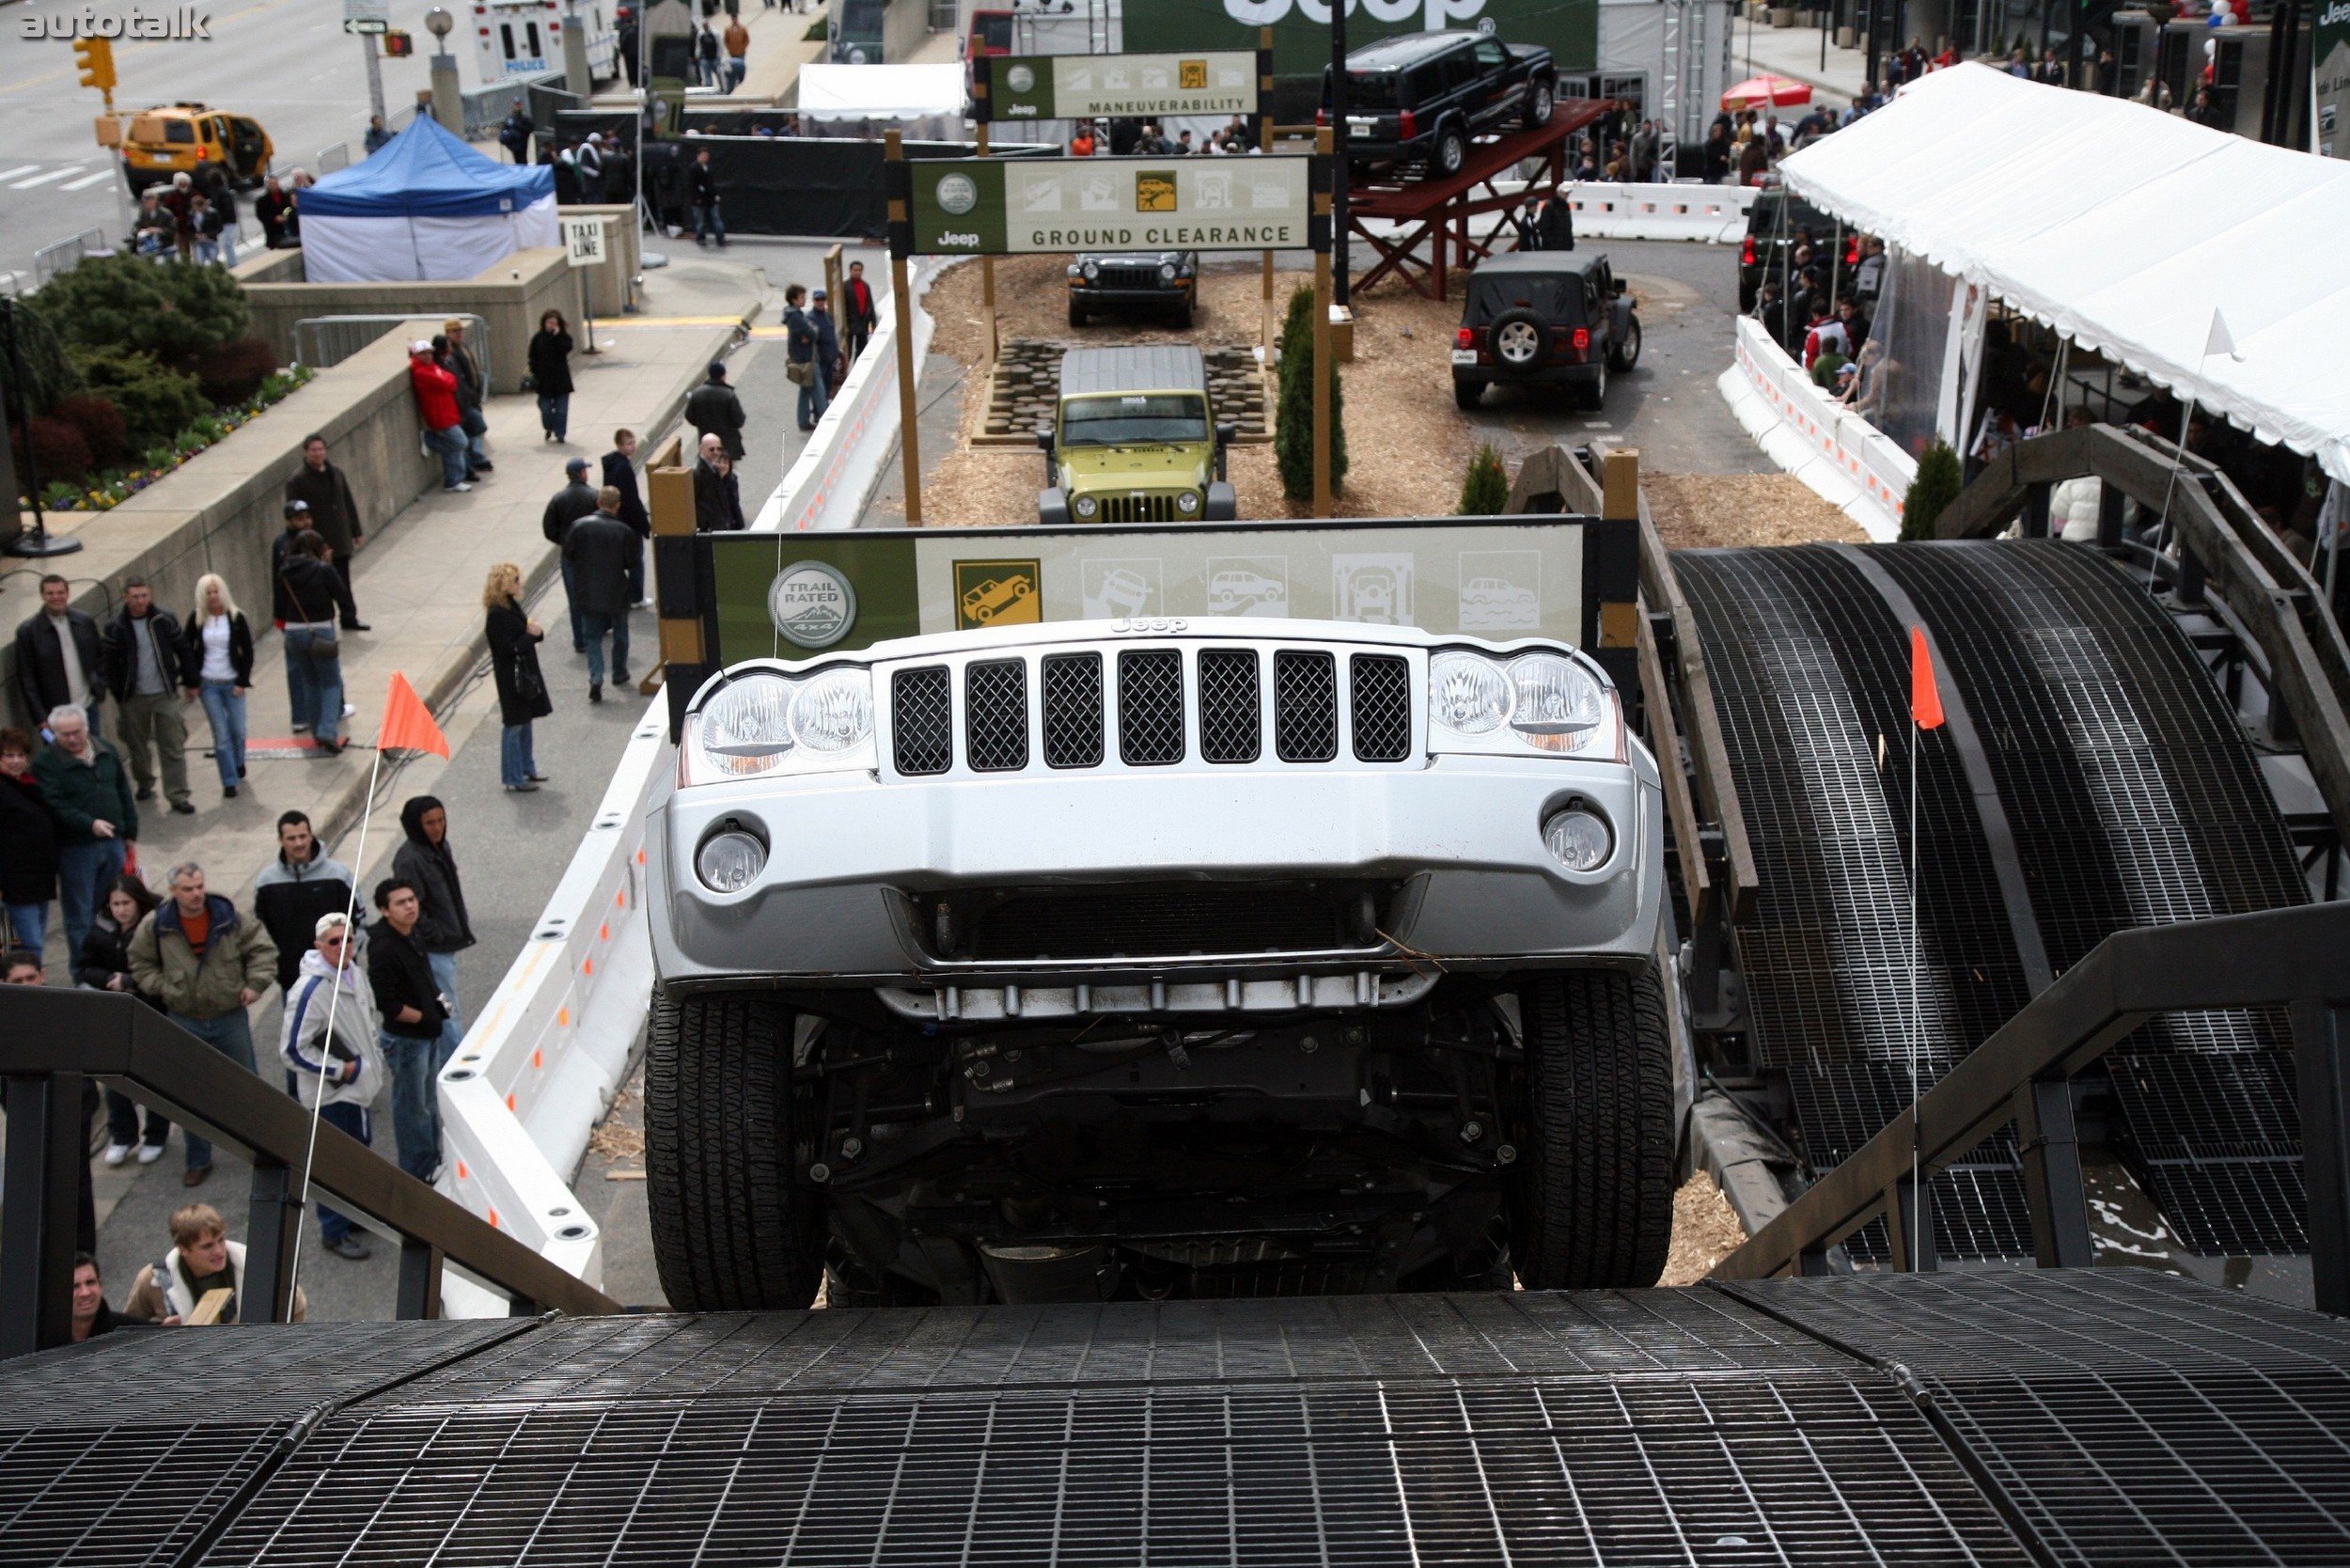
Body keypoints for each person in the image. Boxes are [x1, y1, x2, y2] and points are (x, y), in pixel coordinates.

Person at [128, 861, 276, 1188]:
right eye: (187, 889)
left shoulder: (228, 917)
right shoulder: (157, 925)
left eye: (199, 887)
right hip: (185, 1020)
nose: (196, 895)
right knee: (191, 1093)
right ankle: (198, 1159)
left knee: (247, 1087)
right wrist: (164, 988)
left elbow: (262, 949)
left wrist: (256, 984)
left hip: (229, 1018)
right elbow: (139, 962)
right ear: (173, 892)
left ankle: (265, 1152)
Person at [281, 912, 386, 1261]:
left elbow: (367, 1020)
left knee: (358, 1156)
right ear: (318, 946)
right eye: (334, 941)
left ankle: (352, 1217)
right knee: (332, 1164)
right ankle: (333, 1231)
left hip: (357, 1089)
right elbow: (293, 1050)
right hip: (331, 1095)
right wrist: (342, 1070)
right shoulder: (310, 990)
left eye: (349, 940)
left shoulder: (354, 974)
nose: (343, 947)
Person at [81, 872, 170, 1164]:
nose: (121, 909)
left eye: (126, 902)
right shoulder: (99, 930)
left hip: (151, 1012)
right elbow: (84, 967)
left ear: (138, 901)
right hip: (114, 1014)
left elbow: (165, 971)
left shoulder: (154, 928)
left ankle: (156, 1136)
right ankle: (122, 1136)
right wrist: (108, 978)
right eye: (115, 903)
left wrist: (130, 980)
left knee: (154, 1080)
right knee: (115, 1081)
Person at [36, 705, 135, 964]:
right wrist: (89, 824)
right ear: (54, 734)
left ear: (86, 728)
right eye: (64, 734)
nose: (72, 738)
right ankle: (84, 971)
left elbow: (122, 789)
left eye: (76, 732)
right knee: (80, 914)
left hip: (113, 841)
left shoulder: (104, 749)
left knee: (112, 908)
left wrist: (129, 831)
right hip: (76, 849)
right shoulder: (46, 763)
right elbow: (55, 804)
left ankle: (111, 964)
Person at [367, 877, 450, 1181]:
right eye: (400, 903)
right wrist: (423, 1018)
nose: (410, 906)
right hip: (406, 1042)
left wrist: (436, 1009)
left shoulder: (411, 934)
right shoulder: (384, 949)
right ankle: (418, 1170)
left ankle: (432, 1159)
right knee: (412, 1109)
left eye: (412, 899)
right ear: (384, 910)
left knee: (428, 1103)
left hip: (426, 1036)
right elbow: (386, 1002)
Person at [391, 796, 474, 1077]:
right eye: (430, 823)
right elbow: (410, 907)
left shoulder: (439, 847)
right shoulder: (410, 860)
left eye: (441, 821)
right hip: (432, 949)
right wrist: (435, 934)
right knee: (446, 1009)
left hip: (443, 944)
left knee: (448, 1006)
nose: (437, 828)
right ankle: (457, 1068)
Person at [122, 1202, 306, 1325]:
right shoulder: (154, 1280)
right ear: (183, 1248)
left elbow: (297, 1304)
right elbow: (126, 1330)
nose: (219, 1251)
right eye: (207, 1246)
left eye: (220, 1240)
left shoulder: (257, 1268)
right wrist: (159, 1336)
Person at [254, 810, 355, 996]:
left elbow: (358, 921)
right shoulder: (266, 882)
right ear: (280, 840)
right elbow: (261, 933)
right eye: (291, 838)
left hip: (338, 977)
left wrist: (346, 958)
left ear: (311, 836)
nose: (298, 843)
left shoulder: (339, 875)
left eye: (303, 836)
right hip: (292, 981)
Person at [277, 531, 355, 753]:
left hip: (293, 630)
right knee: (331, 682)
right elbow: (341, 594)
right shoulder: (323, 569)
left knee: (309, 681)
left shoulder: (285, 571)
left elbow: (279, 602)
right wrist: (328, 566)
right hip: (320, 628)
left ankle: (316, 731)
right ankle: (327, 731)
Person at [177, 574, 251, 800]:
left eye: (216, 591)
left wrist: (241, 681)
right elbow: (186, 649)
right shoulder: (197, 619)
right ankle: (228, 781)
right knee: (221, 734)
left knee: (238, 730)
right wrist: (191, 682)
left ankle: (238, 761)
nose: (213, 597)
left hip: (232, 682)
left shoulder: (236, 618)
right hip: (209, 684)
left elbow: (247, 652)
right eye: (208, 593)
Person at [284, 434, 368, 628]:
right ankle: (324, 620)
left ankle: (349, 618)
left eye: (321, 449)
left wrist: (356, 531)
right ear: (306, 452)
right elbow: (294, 515)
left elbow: (348, 502)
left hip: (339, 539)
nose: (318, 453)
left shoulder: (336, 473)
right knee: (321, 585)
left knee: (343, 582)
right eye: (314, 450)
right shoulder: (297, 481)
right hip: (315, 543)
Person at [483, 564, 552, 791]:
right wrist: (530, 637)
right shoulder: (496, 615)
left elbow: (525, 633)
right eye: (514, 580)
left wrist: (535, 634)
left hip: (523, 674)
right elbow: (507, 649)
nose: (518, 584)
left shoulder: (509, 605)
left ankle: (526, 768)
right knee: (514, 725)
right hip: (511, 678)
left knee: (525, 723)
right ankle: (513, 776)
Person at [16, 573, 105, 742]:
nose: (56, 597)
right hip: (54, 716)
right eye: (50, 593)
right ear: (42, 595)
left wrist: (99, 686)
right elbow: (27, 679)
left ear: (67, 593)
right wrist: (40, 718)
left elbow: (100, 657)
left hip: (87, 706)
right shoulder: (29, 632)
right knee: (60, 764)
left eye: (60, 592)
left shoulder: (84, 621)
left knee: (94, 756)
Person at [566, 490, 636, 702]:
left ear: (598, 502)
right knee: (620, 634)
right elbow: (631, 562)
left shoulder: (579, 527)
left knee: (592, 637)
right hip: (616, 590)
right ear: (617, 505)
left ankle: (596, 676)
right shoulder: (623, 530)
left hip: (588, 590)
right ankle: (619, 671)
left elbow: (569, 555)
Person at [1, 728, 59, 960]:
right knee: (30, 945)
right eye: (8, 755)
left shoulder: (28, 783)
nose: (16, 761)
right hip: (16, 882)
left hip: (39, 877)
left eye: (20, 755)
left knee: (35, 940)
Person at [543, 456, 603, 654]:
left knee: (575, 598)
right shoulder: (594, 495)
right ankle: (596, 630)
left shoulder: (558, 499)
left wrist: (563, 540)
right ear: (581, 473)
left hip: (570, 556)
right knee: (596, 592)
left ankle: (580, 639)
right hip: (592, 554)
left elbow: (549, 529)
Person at [410, 339, 472, 493]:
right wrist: (446, 380)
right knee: (460, 443)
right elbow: (447, 382)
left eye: (429, 353)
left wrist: (446, 379)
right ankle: (429, 439)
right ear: (416, 355)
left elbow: (451, 380)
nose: (427, 356)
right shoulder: (421, 372)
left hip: (448, 412)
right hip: (439, 415)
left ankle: (453, 480)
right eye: (423, 354)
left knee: (453, 449)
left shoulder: (432, 367)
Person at [601, 430, 652, 608]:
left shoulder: (611, 464)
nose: (633, 446)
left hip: (616, 520)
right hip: (629, 524)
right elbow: (631, 500)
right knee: (636, 560)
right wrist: (644, 526)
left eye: (633, 442)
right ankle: (637, 597)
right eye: (629, 443)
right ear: (619, 445)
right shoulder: (624, 468)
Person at [445, 319, 494, 477]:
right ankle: (476, 458)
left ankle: (476, 458)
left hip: (471, 396)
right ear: (448, 334)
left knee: (474, 428)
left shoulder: (463, 347)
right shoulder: (452, 353)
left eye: (460, 330)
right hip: (464, 400)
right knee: (477, 425)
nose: (458, 334)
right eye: (454, 331)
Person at [783, 284, 827, 430]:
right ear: (794, 300)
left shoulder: (794, 314)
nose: (804, 300)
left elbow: (810, 331)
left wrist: (810, 331)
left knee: (806, 389)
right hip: (806, 358)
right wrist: (811, 331)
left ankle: (803, 421)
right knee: (817, 387)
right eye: (802, 297)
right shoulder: (796, 317)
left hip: (801, 357)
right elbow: (812, 332)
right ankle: (825, 417)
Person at [684, 360, 747, 461]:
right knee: (727, 472)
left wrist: (702, 423)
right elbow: (739, 420)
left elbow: (689, 416)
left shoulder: (697, 394)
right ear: (723, 375)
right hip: (728, 445)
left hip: (707, 444)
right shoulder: (729, 395)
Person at [528, 310, 575, 444]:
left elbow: (566, 348)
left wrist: (557, 335)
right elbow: (532, 355)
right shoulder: (538, 338)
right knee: (546, 409)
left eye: (554, 323)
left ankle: (560, 433)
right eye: (549, 322)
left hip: (561, 380)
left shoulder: (563, 337)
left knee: (561, 411)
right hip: (544, 381)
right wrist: (535, 371)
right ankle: (549, 427)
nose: (551, 325)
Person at [693, 432, 744, 532]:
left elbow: (731, 497)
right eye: (711, 449)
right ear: (701, 449)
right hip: (709, 528)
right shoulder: (697, 473)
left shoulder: (717, 467)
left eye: (719, 448)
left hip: (723, 524)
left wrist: (724, 477)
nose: (716, 452)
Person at [70, 1253, 122, 1341]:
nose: (85, 1293)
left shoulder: (134, 1334)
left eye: (90, 1283)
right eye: (75, 1286)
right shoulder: (40, 1338)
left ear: (100, 1285)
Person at [842, 259, 878, 363]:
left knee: (861, 350)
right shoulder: (845, 286)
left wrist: (873, 322)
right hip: (849, 323)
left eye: (859, 270)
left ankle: (857, 369)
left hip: (862, 323)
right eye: (855, 270)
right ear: (850, 271)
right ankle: (845, 372)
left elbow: (870, 304)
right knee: (847, 351)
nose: (857, 272)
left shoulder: (865, 286)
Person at [689, 147, 726, 248]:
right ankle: (701, 238)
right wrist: (696, 198)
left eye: (707, 156)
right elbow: (692, 185)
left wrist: (715, 195)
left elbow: (711, 184)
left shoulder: (708, 168)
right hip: (699, 199)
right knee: (700, 221)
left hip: (710, 198)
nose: (705, 158)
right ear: (698, 155)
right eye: (703, 155)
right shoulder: (693, 168)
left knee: (716, 218)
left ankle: (720, 238)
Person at [809, 287, 843, 396]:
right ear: (813, 301)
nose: (820, 302)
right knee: (819, 390)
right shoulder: (810, 318)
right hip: (820, 361)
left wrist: (837, 354)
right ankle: (818, 411)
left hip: (830, 360)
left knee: (828, 388)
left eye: (822, 299)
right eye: (817, 300)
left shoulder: (827, 316)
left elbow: (832, 336)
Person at [256, 175, 297, 248]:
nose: (274, 186)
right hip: (273, 231)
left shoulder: (285, 196)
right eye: (271, 184)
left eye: (275, 183)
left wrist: (285, 215)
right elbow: (261, 215)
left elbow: (289, 208)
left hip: (288, 227)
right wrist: (274, 218)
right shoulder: (262, 201)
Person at [499, 98, 535, 165]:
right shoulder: (510, 117)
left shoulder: (525, 118)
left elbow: (530, 129)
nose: (517, 106)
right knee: (517, 161)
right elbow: (504, 128)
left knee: (523, 160)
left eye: (518, 104)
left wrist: (517, 125)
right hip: (513, 144)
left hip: (522, 144)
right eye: (515, 104)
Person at [723, 12, 749, 91]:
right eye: (732, 18)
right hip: (733, 52)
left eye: (735, 18)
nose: (734, 20)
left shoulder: (742, 28)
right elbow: (726, 40)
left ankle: (741, 79)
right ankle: (735, 79)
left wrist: (743, 47)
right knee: (733, 67)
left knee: (740, 66)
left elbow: (747, 39)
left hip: (741, 52)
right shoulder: (728, 29)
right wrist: (729, 48)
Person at [694, 19, 721, 87]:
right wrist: (697, 54)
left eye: (705, 25)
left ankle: (722, 87)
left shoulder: (715, 33)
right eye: (703, 25)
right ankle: (709, 91)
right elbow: (698, 45)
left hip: (715, 58)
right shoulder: (700, 34)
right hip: (705, 58)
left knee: (719, 75)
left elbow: (719, 44)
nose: (705, 26)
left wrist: (719, 55)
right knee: (707, 76)